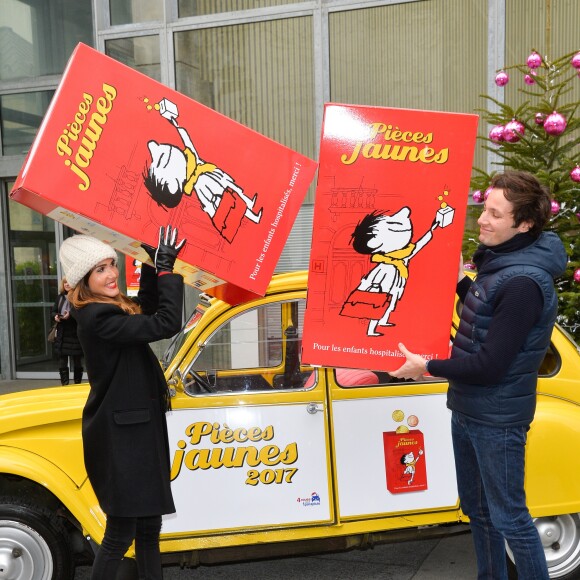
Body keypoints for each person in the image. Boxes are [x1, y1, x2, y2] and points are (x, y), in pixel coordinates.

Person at [389, 171, 567, 579]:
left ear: (524, 224)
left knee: (510, 520)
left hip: (497, 421)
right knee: (478, 511)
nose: (482, 220)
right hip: (470, 409)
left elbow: (490, 364)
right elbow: (487, 313)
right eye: (484, 209)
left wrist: (427, 367)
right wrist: (459, 282)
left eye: (494, 214)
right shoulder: (504, 263)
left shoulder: (524, 281)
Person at [58, 225, 186, 580]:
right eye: (100, 269)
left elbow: (144, 306)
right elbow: (164, 322)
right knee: (120, 533)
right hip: (124, 439)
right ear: (83, 279)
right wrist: (165, 270)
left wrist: (148, 262)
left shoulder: (108, 308)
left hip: (134, 433)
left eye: (112, 264)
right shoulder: (98, 318)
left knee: (147, 527)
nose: (112, 273)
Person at [51, 276, 84, 384]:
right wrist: (56, 316)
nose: (67, 285)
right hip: (63, 333)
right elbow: (53, 311)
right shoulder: (59, 297)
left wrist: (71, 314)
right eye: (65, 283)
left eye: (69, 283)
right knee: (62, 360)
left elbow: (81, 312)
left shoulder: (78, 297)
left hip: (75, 332)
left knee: (77, 360)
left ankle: (77, 383)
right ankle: (64, 384)